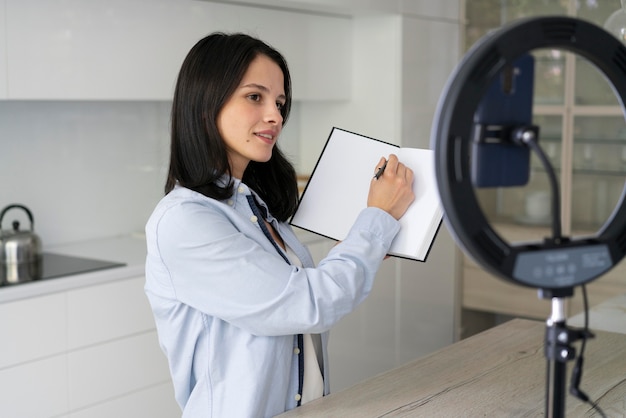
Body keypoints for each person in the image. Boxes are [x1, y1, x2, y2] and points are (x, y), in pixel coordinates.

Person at [144, 32, 415, 418]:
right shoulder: (185, 221)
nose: (275, 115)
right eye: (255, 97)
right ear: (207, 103)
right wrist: (376, 222)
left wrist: (365, 245)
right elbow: (308, 305)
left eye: (280, 102)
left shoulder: (254, 208)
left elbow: (295, 302)